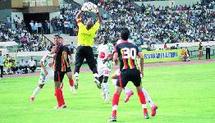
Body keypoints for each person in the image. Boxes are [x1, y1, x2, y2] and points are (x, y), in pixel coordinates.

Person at [109, 28, 150, 122]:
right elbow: (142, 57)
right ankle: (145, 113)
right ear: (129, 36)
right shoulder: (134, 45)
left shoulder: (118, 45)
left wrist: (116, 61)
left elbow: (115, 59)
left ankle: (114, 115)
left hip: (124, 72)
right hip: (135, 71)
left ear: (120, 36)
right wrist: (142, 70)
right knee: (140, 91)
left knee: (117, 93)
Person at [74, 10, 102, 89]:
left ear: (86, 24)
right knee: (92, 65)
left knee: (77, 64)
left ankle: (76, 76)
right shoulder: (93, 30)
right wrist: (97, 13)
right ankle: (95, 76)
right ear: (92, 25)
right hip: (89, 48)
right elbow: (100, 21)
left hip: (80, 47)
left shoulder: (82, 27)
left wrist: (81, 11)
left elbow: (77, 17)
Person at [53, 35, 75, 109]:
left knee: (57, 87)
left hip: (58, 69)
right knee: (57, 87)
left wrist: (49, 55)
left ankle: (60, 104)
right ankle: (62, 103)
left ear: (60, 40)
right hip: (59, 69)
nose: (55, 40)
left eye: (57, 39)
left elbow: (63, 54)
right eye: (54, 39)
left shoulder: (59, 47)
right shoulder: (58, 47)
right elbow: (55, 55)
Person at [97, 37, 113, 102]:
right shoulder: (99, 46)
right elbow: (99, 55)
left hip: (107, 64)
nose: (104, 39)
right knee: (100, 81)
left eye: (105, 38)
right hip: (100, 64)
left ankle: (107, 95)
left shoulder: (110, 45)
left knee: (105, 79)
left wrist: (106, 59)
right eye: (103, 38)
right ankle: (103, 92)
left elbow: (112, 55)